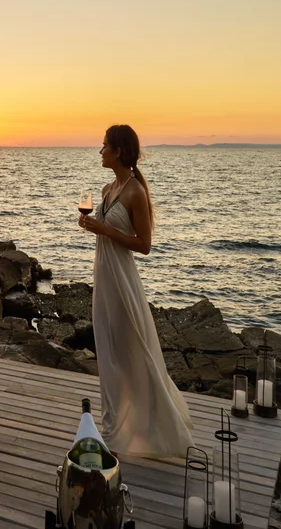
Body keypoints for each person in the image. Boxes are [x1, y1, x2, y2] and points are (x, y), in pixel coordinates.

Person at [78, 124, 193, 458]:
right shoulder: (107, 188)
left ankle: (133, 427)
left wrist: (103, 228)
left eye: (104, 146)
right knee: (108, 349)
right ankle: (114, 423)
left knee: (130, 349)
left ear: (118, 151)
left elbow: (144, 245)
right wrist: (92, 226)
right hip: (103, 275)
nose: (99, 151)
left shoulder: (135, 192)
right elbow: (104, 230)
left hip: (123, 280)